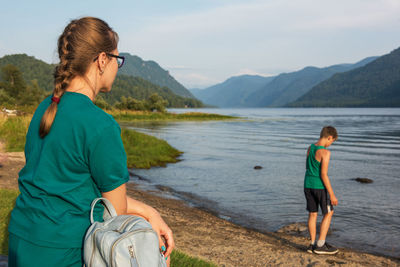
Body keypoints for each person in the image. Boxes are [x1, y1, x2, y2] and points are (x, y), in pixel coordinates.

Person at [8, 17, 174, 266]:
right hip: (64, 251)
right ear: (102, 60)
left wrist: (150, 211)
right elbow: (114, 212)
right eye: (118, 60)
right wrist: (150, 215)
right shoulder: (101, 125)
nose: (118, 67)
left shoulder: (45, 107)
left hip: (22, 239)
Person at [304, 126, 338, 255]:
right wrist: (332, 194)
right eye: (332, 141)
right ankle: (321, 244)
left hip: (307, 184)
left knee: (313, 214)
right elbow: (324, 174)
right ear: (329, 137)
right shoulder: (325, 153)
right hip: (320, 187)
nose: (330, 144)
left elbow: (307, 167)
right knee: (328, 213)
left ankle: (312, 244)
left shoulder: (310, 148)